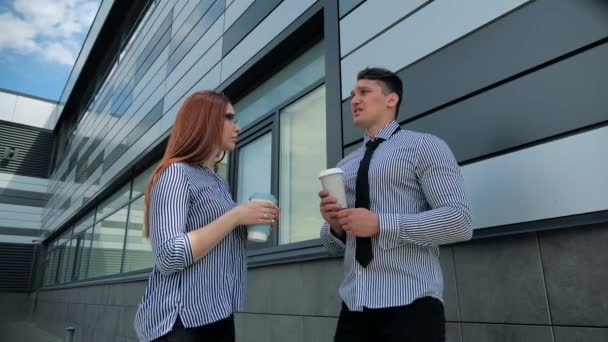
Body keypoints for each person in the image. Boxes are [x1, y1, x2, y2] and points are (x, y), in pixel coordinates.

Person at [319, 67, 473, 342]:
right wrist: (335, 226)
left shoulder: (425, 146)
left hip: (411, 306)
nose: (354, 100)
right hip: (353, 308)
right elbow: (332, 247)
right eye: (352, 94)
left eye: (364, 92)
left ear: (392, 99)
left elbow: (459, 222)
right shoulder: (344, 166)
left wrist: (380, 224)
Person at [134, 90, 279, 342]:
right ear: (205, 120)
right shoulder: (176, 174)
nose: (238, 127)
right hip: (182, 323)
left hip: (219, 315)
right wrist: (234, 216)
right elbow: (168, 255)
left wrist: (249, 222)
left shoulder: (217, 181)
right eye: (230, 118)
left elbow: (217, 238)